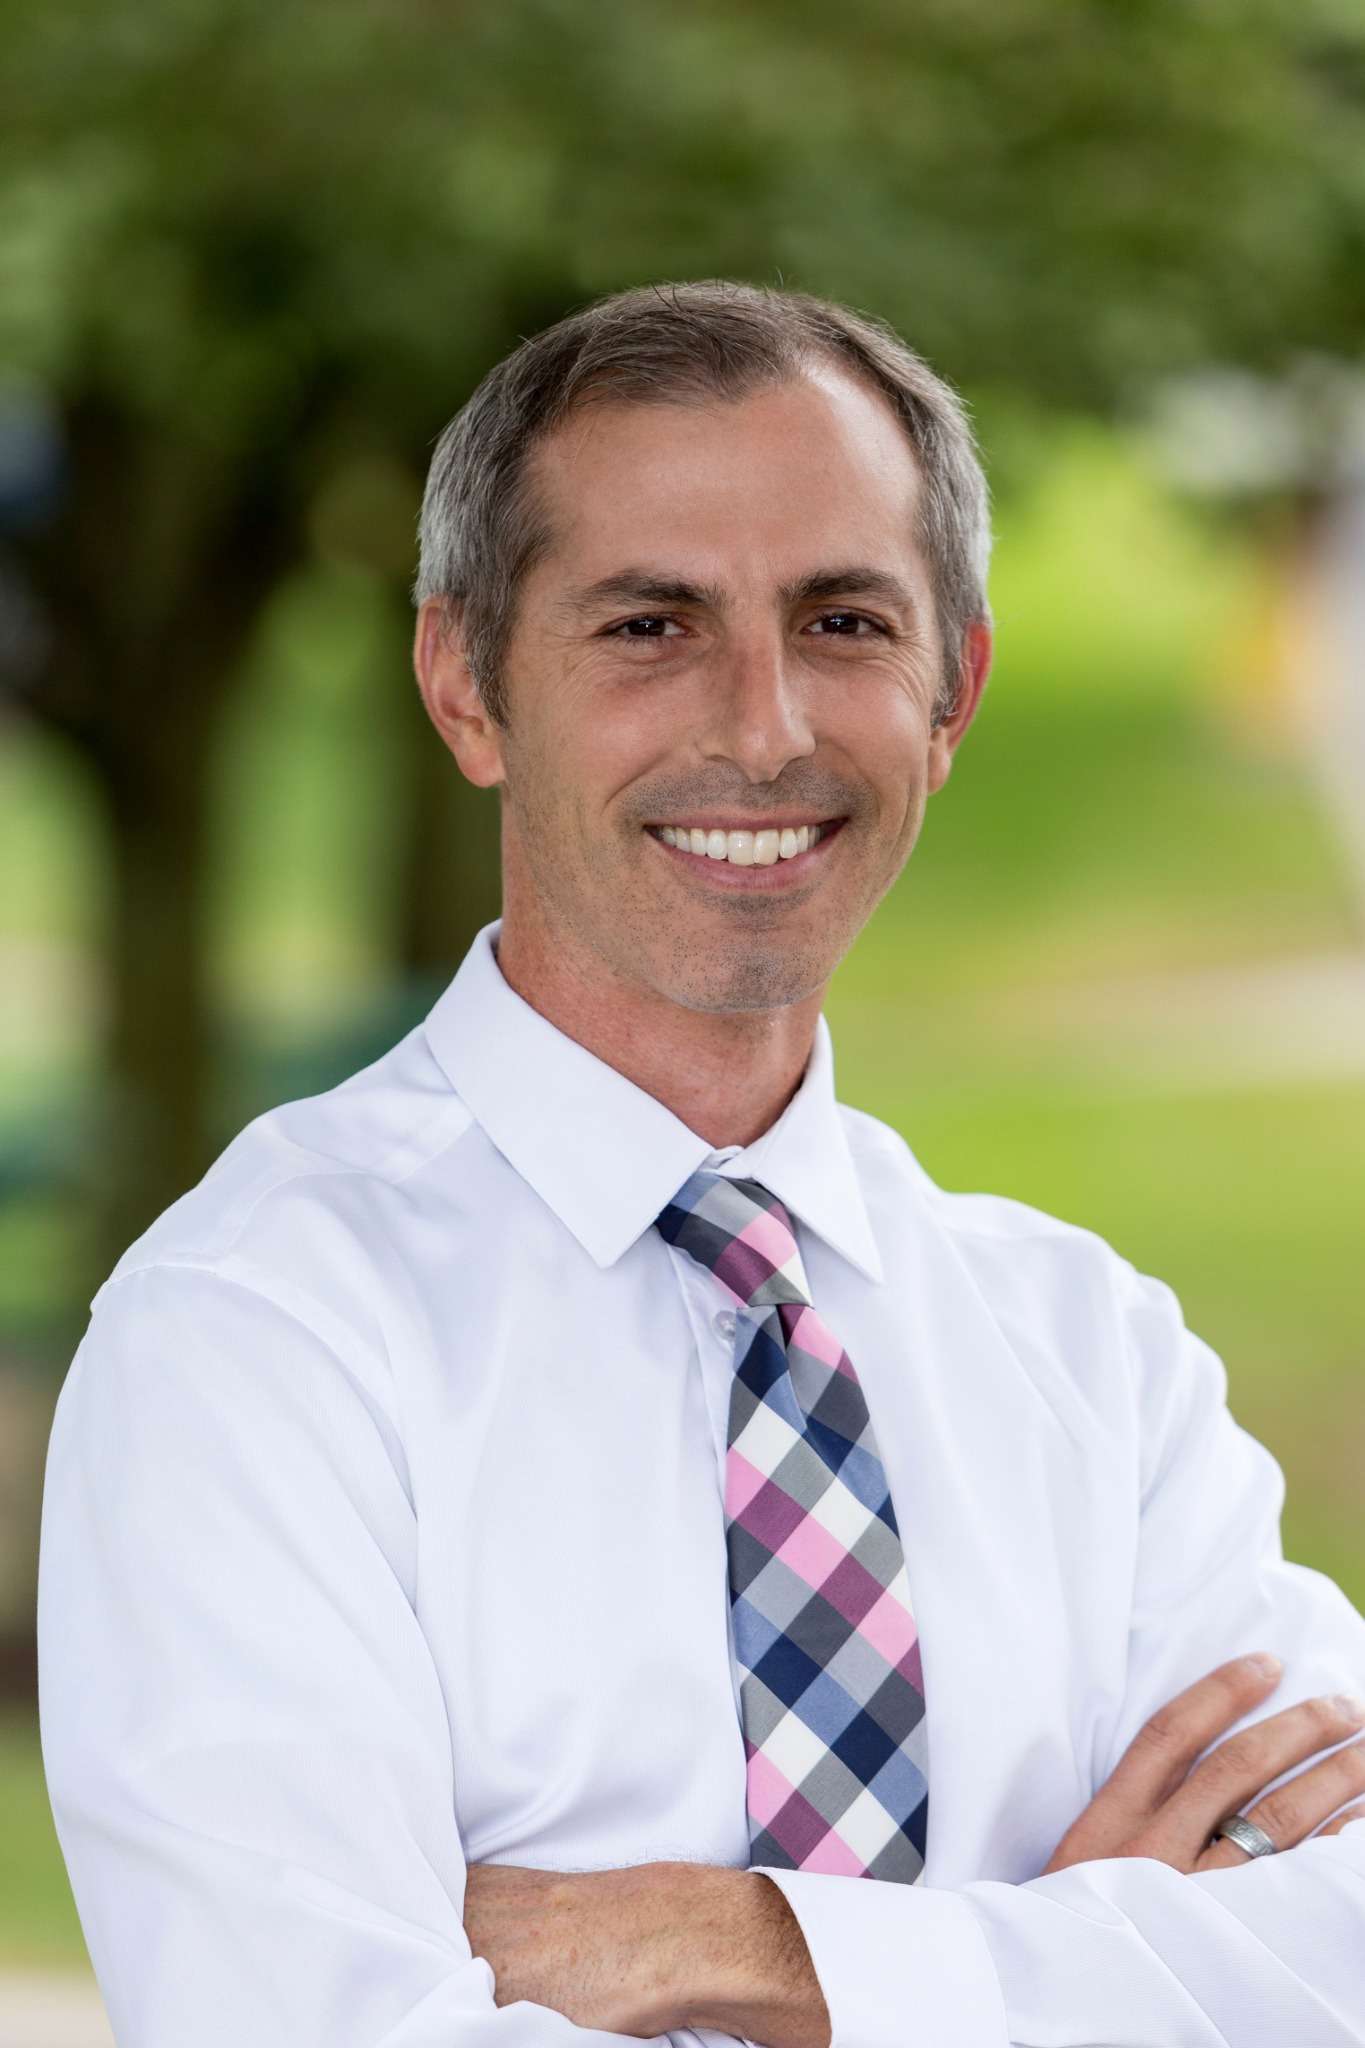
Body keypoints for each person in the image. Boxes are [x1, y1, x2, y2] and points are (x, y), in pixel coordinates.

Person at [36, 280, 1365, 2048]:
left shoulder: (1089, 1359)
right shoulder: (258, 1335)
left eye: (840, 621)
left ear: (953, 687)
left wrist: (748, 1949)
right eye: (648, 625)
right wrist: (1059, 1958)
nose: (761, 728)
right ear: (464, 684)